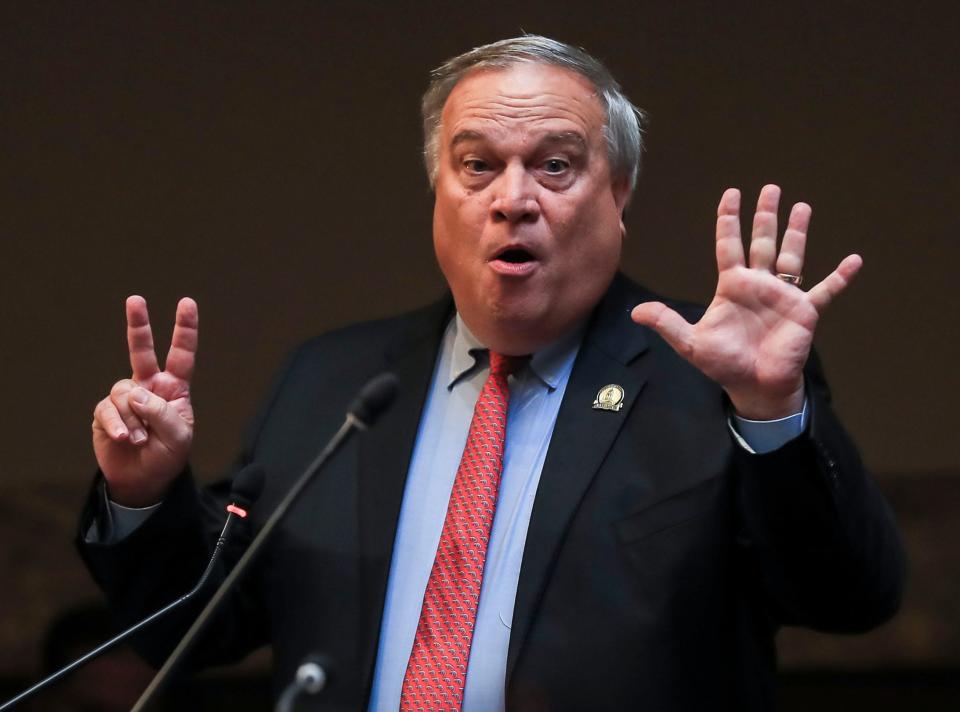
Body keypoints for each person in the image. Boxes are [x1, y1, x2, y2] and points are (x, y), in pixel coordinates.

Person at [79, 36, 905, 711]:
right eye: (477, 165)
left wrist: (770, 411)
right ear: (437, 193)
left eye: (555, 165)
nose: (513, 199)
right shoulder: (333, 383)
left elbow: (849, 600)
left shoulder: (708, 381)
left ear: (619, 194)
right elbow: (200, 626)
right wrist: (143, 498)